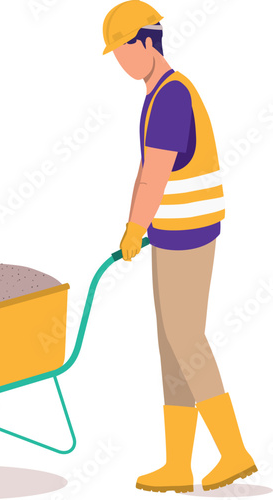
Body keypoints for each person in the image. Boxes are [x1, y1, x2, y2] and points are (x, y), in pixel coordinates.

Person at [102, 0, 257, 493]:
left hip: (189, 235)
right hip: (171, 233)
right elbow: (146, 171)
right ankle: (178, 466)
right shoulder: (157, 94)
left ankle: (234, 452)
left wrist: (133, 227)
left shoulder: (170, 96)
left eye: (124, 50)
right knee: (172, 347)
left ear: (147, 43)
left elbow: (156, 173)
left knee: (186, 340)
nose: (121, 62)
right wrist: (139, 226)